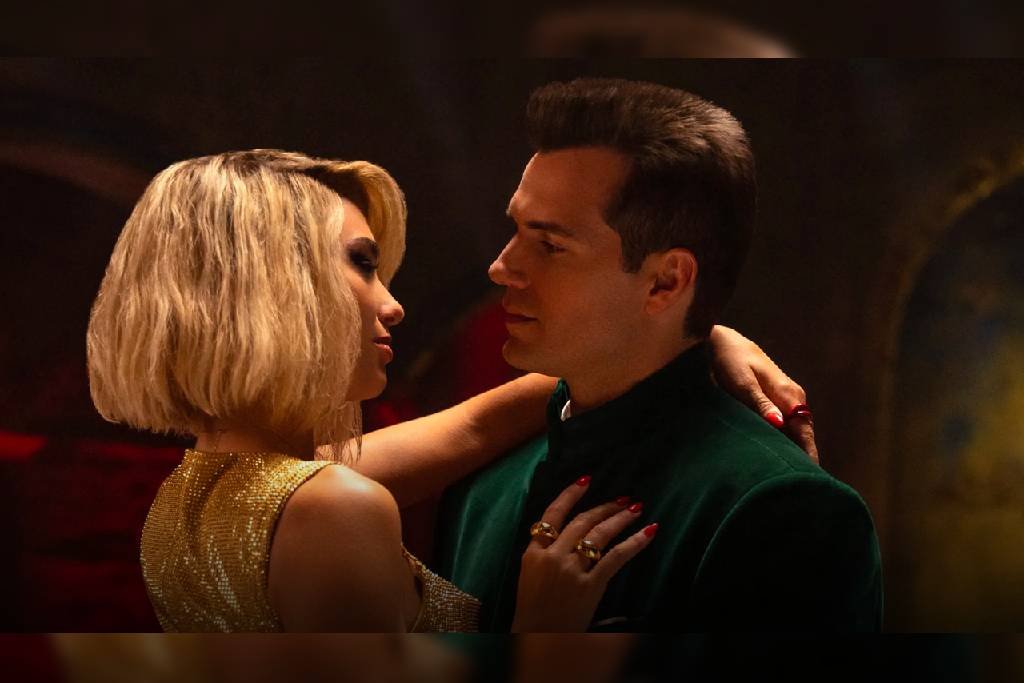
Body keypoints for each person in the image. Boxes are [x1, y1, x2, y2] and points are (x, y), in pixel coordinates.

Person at [86, 149, 821, 632]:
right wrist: (541, 639)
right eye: (363, 264)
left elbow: (475, 426)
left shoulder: (195, 496)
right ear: (272, 286)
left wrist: (690, 333)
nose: (392, 304)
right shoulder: (332, 507)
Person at [437, 78, 883, 632]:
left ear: (665, 281)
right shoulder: (486, 489)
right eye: (516, 231)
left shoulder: (784, 511)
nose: (502, 267)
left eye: (550, 245)